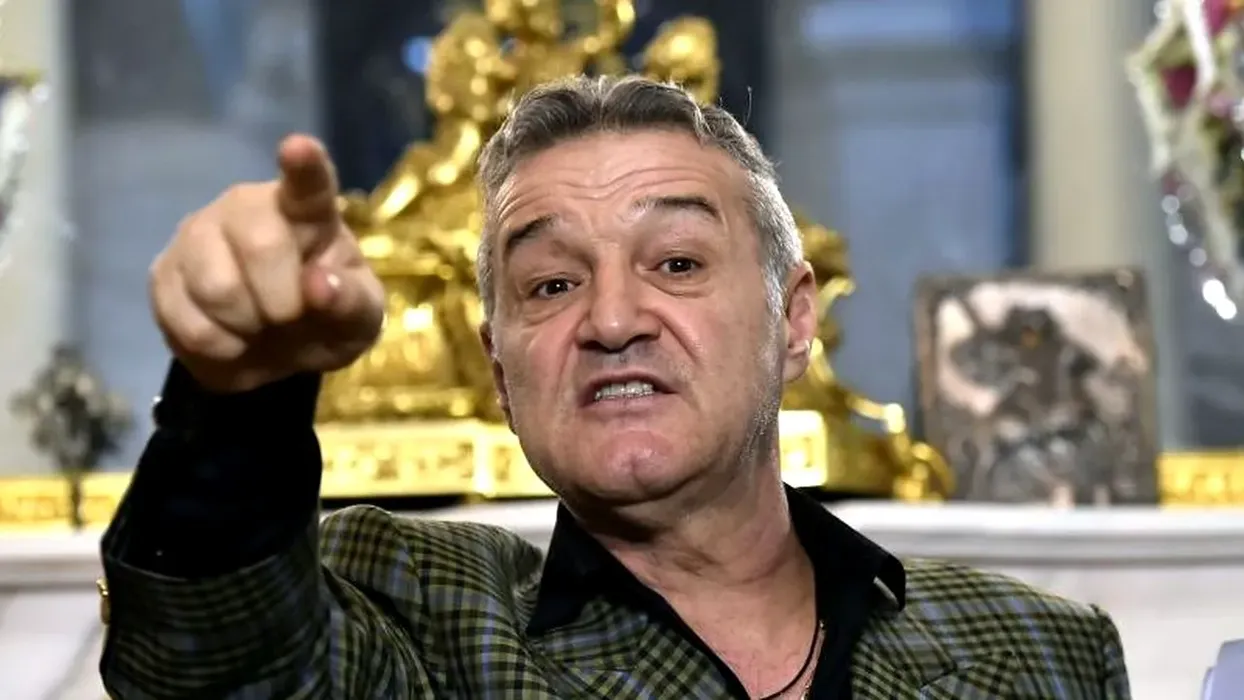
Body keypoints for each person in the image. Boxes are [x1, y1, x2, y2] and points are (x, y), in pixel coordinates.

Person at [99, 75, 1131, 699]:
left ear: (792, 322)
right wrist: (242, 396)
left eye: (676, 263)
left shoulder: (1040, 652)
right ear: (501, 372)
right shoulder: (416, 617)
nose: (610, 319)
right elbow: (218, 663)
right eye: (550, 284)